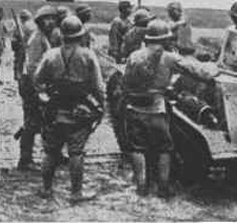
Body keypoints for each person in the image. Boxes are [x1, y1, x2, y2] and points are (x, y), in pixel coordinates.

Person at [122, 19, 218, 198]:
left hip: (134, 108)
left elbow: (125, 83)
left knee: (137, 148)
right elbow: (198, 71)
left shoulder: (134, 56)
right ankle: (163, 187)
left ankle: (141, 187)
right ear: (164, 38)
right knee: (164, 148)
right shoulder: (168, 57)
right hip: (157, 109)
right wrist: (214, 70)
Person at [34, 16, 104, 202]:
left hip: (55, 109)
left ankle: (47, 190)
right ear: (80, 35)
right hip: (79, 110)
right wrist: (101, 107)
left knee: (50, 151)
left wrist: (45, 98)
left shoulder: (50, 55)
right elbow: (98, 86)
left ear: (62, 35)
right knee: (76, 152)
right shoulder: (88, 55)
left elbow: (37, 80)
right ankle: (76, 193)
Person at [15, 5, 59, 171]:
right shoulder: (37, 38)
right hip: (32, 86)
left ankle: (53, 154)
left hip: (39, 85)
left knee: (44, 121)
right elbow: (33, 67)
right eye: (46, 19)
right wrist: (40, 91)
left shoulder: (44, 37)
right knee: (31, 122)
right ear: (40, 21)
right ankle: (25, 160)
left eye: (52, 19)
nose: (50, 22)